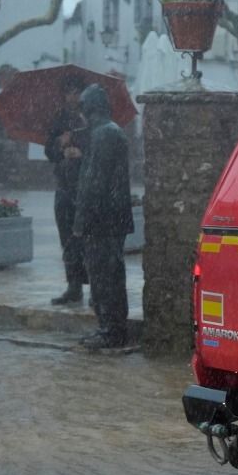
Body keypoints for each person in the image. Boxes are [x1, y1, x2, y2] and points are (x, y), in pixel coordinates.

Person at [73, 83, 133, 350]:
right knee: (111, 274)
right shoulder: (109, 132)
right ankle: (113, 327)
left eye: (82, 108)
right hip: (113, 218)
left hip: (101, 221)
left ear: (89, 108)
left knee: (103, 277)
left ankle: (110, 330)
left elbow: (92, 184)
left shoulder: (102, 135)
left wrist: (80, 222)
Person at [43, 74, 89, 305]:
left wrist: (81, 153)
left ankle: (96, 287)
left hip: (85, 187)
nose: (72, 96)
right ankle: (73, 286)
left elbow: (98, 150)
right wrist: (60, 146)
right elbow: (48, 151)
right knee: (67, 238)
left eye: (76, 91)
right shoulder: (59, 119)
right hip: (64, 185)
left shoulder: (91, 118)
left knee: (87, 238)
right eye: (69, 92)